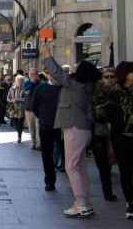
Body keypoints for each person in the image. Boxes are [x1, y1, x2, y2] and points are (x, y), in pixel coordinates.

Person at [41, 43, 101, 218]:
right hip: (82, 128)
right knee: (79, 166)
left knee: (71, 166)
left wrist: (47, 55)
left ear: (81, 73)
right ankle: (83, 202)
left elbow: (58, 74)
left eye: (77, 67)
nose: (73, 69)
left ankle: (81, 203)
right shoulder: (86, 86)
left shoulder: (77, 85)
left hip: (75, 127)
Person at [104, 62, 133, 219]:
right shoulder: (115, 92)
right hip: (121, 137)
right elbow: (106, 113)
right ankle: (130, 202)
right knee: (125, 170)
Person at [90, 68, 119, 201]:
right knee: (103, 165)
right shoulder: (96, 92)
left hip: (118, 131)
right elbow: (96, 113)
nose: (109, 79)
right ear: (102, 78)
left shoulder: (121, 92)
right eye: (106, 77)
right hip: (100, 132)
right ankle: (107, 192)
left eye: (112, 76)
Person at [31, 70, 62, 191]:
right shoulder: (41, 88)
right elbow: (35, 106)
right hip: (46, 125)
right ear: (48, 75)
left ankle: (70, 175)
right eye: (51, 73)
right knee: (47, 154)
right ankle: (50, 180)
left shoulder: (64, 88)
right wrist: (43, 118)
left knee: (65, 152)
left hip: (63, 126)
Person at [23, 68, 42, 150]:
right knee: (31, 128)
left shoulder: (40, 83)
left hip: (38, 109)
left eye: (34, 74)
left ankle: (39, 144)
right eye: (31, 74)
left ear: (37, 75)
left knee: (38, 127)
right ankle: (33, 143)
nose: (32, 75)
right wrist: (33, 82)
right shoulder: (27, 83)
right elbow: (27, 91)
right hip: (29, 109)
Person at [7, 75, 27, 143]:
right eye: (18, 81)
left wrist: (18, 99)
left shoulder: (24, 89)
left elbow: (26, 99)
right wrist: (11, 100)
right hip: (13, 108)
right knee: (15, 123)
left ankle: (19, 136)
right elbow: (8, 98)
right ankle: (18, 132)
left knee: (20, 123)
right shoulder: (12, 89)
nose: (19, 82)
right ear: (15, 81)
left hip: (21, 108)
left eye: (21, 81)